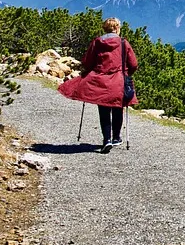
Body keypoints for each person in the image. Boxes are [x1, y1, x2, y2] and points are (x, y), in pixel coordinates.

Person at [58, 17, 138, 153]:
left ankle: (106, 140)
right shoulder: (124, 43)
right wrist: (126, 73)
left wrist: (89, 73)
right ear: (118, 28)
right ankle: (117, 137)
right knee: (118, 108)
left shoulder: (97, 42)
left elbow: (87, 61)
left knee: (104, 111)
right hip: (118, 81)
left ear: (104, 28)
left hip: (100, 81)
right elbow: (133, 64)